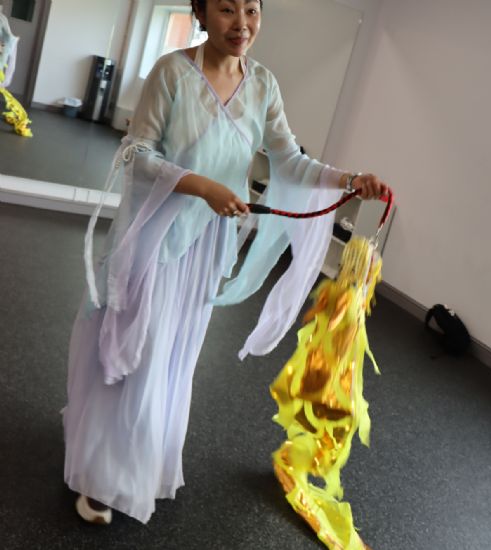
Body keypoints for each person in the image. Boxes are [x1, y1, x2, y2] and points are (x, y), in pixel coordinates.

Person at [63, 0, 390, 526]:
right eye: (226, 9)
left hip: (205, 245)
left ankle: (137, 464)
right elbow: (137, 154)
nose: (242, 24)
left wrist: (350, 180)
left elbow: (290, 161)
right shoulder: (172, 72)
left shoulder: (262, 85)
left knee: (174, 353)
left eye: (251, 10)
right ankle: (101, 475)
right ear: (199, 11)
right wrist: (202, 187)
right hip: (158, 238)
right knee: (139, 346)